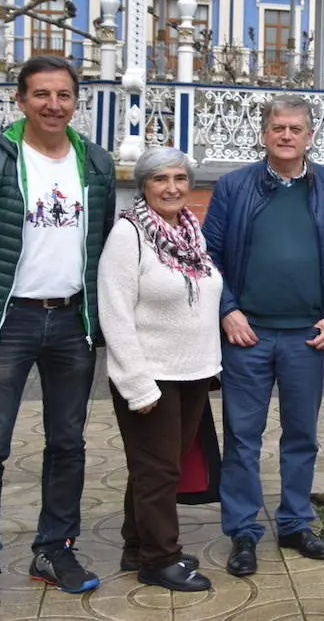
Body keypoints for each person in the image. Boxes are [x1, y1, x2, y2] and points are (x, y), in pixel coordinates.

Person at [0, 55, 117, 613]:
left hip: (71, 322)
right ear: (21, 99)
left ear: (76, 101)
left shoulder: (97, 165)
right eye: (41, 94)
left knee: (69, 444)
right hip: (7, 322)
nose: (53, 105)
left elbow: (103, 246)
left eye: (63, 95)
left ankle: (54, 549)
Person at [202, 94, 324, 577]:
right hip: (246, 334)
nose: (287, 135)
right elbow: (209, 257)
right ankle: (244, 533)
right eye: (279, 128)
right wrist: (227, 310)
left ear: (310, 136)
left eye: (296, 128)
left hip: (307, 337)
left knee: (301, 436)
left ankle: (295, 523)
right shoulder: (234, 187)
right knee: (243, 437)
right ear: (264, 133)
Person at [98, 147, 222, 592]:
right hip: (151, 374)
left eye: (179, 178)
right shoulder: (129, 235)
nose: (172, 187)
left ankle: (138, 546)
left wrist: (210, 364)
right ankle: (160, 560)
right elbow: (114, 313)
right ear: (143, 186)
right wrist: (136, 383)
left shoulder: (188, 230)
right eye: (160, 179)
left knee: (156, 466)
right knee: (159, 471)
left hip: (191, 373)